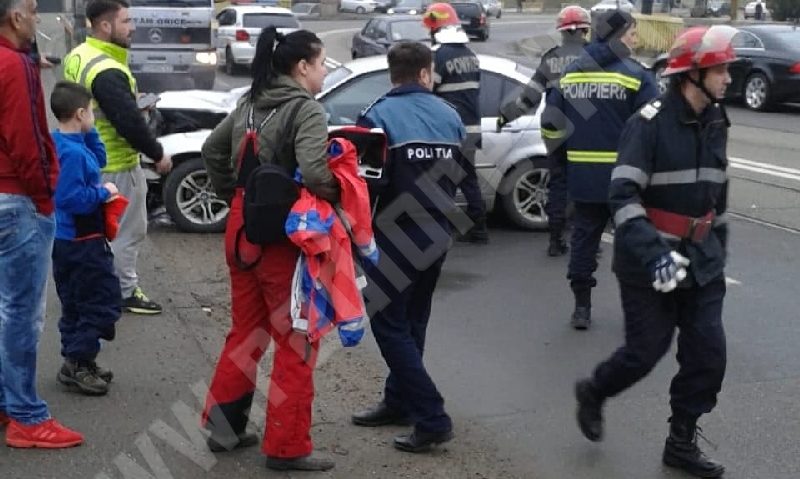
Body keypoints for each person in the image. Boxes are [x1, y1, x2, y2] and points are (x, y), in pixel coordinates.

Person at [574, 25, 738, 479]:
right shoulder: (646, 123)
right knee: (645, 352)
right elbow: (623, 196)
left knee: (709, 353)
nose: (727, 78)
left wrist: (718, 247)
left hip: (702, 260)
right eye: (721, 69)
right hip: (649, 263)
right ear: (693, 74)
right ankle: (594, 391)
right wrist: (655, 254)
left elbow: (716, 194)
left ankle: (680, 442)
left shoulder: (717, 119)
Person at [200, 27, 339, 472]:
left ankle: (224, 430)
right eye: (321, 64)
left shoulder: (249, 102)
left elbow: (211, 149)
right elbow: (316, 171)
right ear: (302, 67)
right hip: (281, 233)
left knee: (246, 331)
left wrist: (232, 196)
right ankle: (287, 447)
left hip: (241, 227)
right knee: (298, 338)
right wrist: (343, 199)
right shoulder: (306, 110)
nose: (323, 72)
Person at [351, 41, 464, 454]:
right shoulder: (450, 115)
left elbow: (368, 187)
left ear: (392, 73)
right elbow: (461, 177)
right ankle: (399, 402)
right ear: (423, 73)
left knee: (388, 325)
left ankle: (431, 417)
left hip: (395, 235)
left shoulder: (376, 116)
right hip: (438, 232)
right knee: (413, 323)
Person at [0, 0, 84, 448]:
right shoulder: (13, 65)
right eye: (32, 10)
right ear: (15, 18)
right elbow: (27, 136)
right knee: (21, 315)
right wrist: (44, 195)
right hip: (17, 200)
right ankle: (27, 417)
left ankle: (7, 400)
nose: (37, 18)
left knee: (5, 309)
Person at [541, 10, 658, 330]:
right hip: (627, 183)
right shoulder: (636, 75)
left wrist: (562, 160)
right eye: (633, 34)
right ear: (619, 35)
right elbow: (655, 129)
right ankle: (640, 311)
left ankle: (581, 309)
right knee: (634, 245)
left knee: (583, 241)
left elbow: (551, 125)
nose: (636, 40)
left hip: (584, 180)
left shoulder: (571, 75)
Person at [63, 0, 172, 315]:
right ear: (105, 26)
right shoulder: (108, 69)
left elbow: (88, 104)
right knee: (127, 231)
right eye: (126, 21)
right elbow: (127, 123)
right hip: (117, 164)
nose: (133, 27)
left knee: (93, 231)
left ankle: (90, 286)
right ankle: (123, 292)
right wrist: (157, 153)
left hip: (86, 157)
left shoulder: (80, 56)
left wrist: (129, 103)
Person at [50, 81, 124, 397]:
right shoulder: (72, 155)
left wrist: (89, 130)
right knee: (101, 301)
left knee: (75, 302)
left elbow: (100, 158)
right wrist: (102, 192)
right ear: (80, 113)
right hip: (82, 240)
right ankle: (79, 361)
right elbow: (70, 198)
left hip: (66, 240)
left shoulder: (61, 144)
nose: (93, 116)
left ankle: (76, 359)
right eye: (90, 112)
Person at [498, 5, 590, 257]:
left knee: (558, 182)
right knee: (586, 183)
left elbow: (529, 96)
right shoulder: (592, 57)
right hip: (584, 129)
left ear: (562, 32)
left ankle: (555, 239)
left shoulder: (550, 58)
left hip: (554, 129)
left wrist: (506, 117)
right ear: (584, 29)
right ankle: (585, 238)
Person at [423, 3, 487, 244]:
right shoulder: (470, 56)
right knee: (468, 179)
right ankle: (479, 229)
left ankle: (450, 228)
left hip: (449, 130)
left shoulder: (439, 56)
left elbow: (429, 90)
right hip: (472, 128)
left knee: (443, 181)